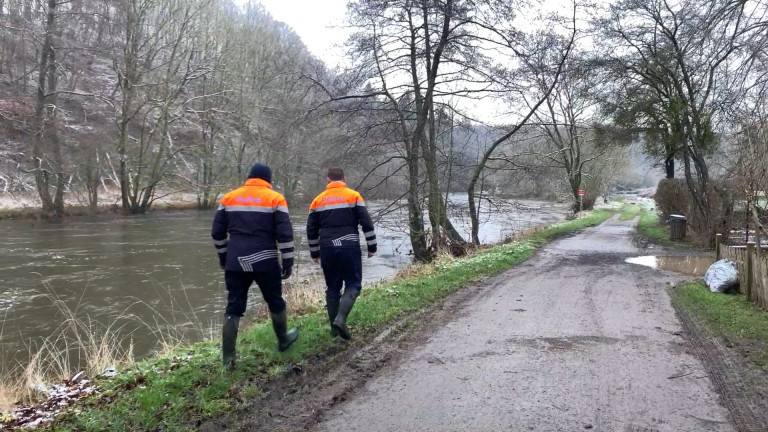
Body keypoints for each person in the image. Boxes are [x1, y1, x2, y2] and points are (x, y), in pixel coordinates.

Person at [211, 163, 298, 370]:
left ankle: (228, 358)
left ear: (249, 177)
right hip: (265, 260)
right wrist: (288, 261)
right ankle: (283, 340)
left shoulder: (228, 198)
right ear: (268, 179)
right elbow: (285, 234)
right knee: (275, 301)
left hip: (235, 260)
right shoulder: (275, 199)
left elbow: (217, 233)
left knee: (234, 306)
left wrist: (224, 257)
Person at [306, 167, 377, 340]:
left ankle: (334, 331)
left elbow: (311, 230)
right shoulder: (353, 196)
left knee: (332, 288)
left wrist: (314, 252)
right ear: (344, 179)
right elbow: (366, 223)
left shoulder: (317, 200)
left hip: (327, 248)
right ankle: (340, 319)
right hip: (349, 246)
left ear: (328, 180)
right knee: (353, 284)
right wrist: (372, 246)